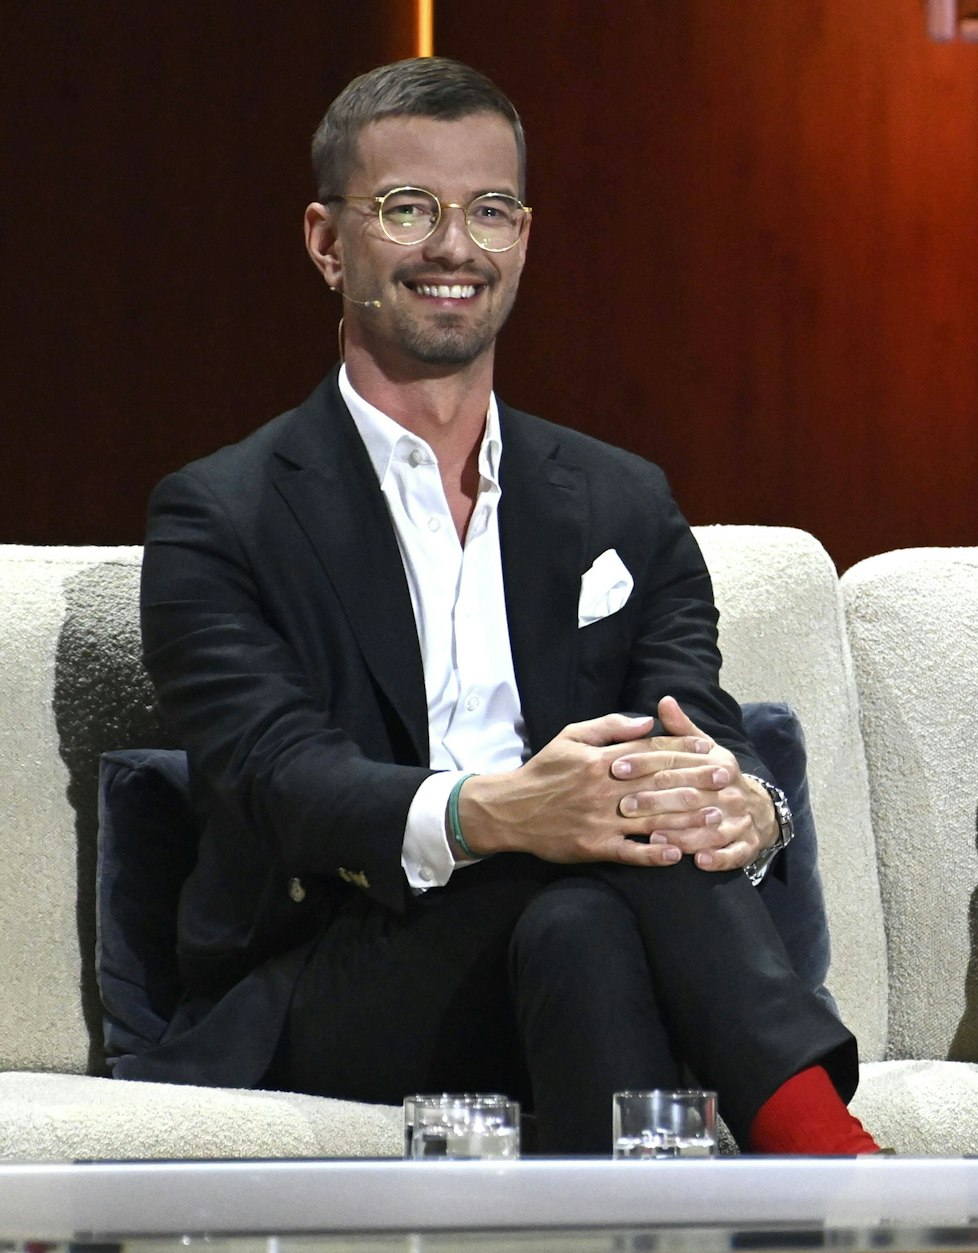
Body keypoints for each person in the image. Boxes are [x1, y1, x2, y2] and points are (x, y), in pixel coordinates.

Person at [127, 57, 878, 1156]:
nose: (453, 246)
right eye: (406, 209)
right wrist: (499, 812)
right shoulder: (219, 515)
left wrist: (746, 803)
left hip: (590, 940)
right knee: (599, 861)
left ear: (522, 238)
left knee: (583, 913)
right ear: (327, 242)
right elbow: (281, 780)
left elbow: (689, 719)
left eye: (488, 210)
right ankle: (833, 1159)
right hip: (350, 963)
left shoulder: (622, 497)